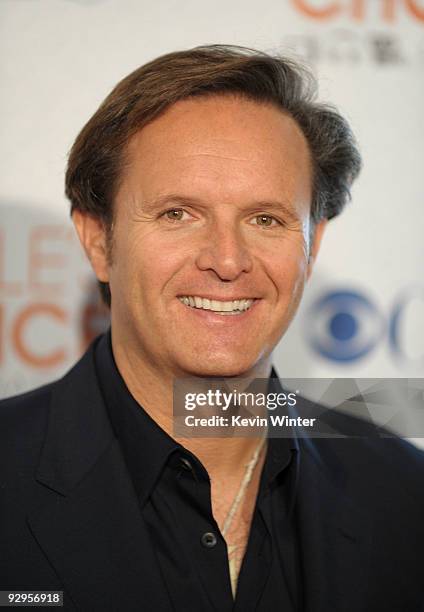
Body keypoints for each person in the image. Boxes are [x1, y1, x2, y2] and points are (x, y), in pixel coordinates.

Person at [1, 45, 423, 612]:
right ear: (99, 240)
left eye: (265, 219)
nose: (227, 260)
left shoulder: (402, 491)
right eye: (178, 213)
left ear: (311, 246)